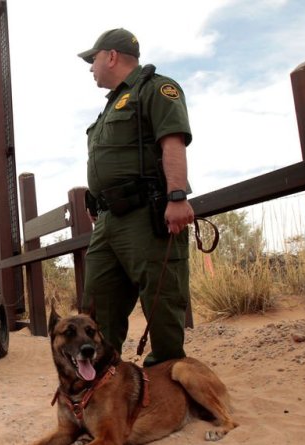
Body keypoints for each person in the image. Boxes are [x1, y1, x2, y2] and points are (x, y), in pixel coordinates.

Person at [78, 28, 195, 368]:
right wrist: (98, 201)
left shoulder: (156, 89)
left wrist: (177, 196)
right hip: (109, 221)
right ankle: (102, 378)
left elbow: (172, 140)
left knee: (161, 300)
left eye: (93, 59)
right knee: (98, 302)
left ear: (111, 56)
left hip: (146, 213)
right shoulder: (111, 106)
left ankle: (167, 380)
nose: (91, 68)